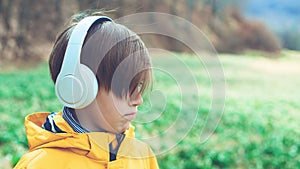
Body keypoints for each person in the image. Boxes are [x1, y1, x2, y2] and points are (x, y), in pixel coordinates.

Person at [14, 11, 159, 169]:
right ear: (79, 87)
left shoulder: (142, 155)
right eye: (125, 87)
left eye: (138, 85)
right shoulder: (39, 165)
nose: (138, 100)